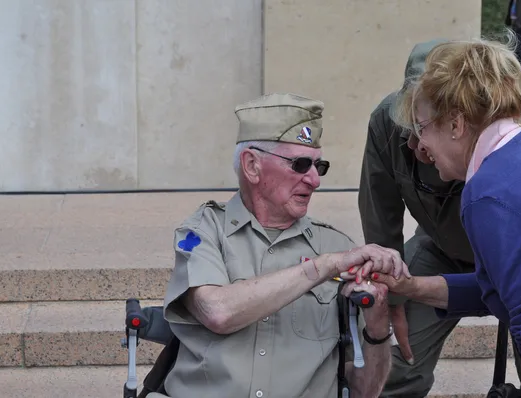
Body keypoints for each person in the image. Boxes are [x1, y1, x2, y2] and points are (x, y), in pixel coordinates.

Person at [160, 93, 410, 398]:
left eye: (320, 166)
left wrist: (377, 324)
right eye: (300, 164)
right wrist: (322, 268)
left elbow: (364, 391)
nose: (315, 180)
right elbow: (218, 312)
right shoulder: (205, 231)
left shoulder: (334, 245)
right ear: (252, 166)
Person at [372, 36, 521, 397]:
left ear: (456, 125)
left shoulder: (488, 194)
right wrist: (412, 287)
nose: (420, 146)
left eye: (422, 127)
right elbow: (501, 286)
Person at [358, 39, 478, 398]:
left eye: (424, 127)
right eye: (409, 125)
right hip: (440, 249)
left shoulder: (500, 133)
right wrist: (391, 296)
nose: (413, 144)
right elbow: (380, 213)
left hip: (518, 260)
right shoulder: (385, 121)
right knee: (395, 361)